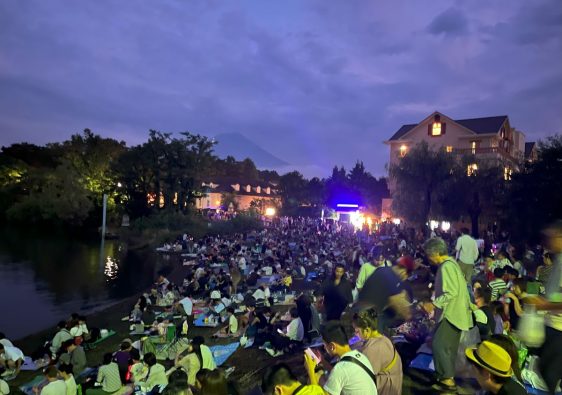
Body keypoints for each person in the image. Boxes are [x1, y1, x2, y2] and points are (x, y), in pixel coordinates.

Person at [423, 237, 473, 392]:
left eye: (429, 255)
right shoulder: (451, 264)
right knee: (448, 347)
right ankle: (445, 377)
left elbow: (451, 292)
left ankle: (447, 380)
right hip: (454, 313)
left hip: (451, 314)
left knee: (439, 345)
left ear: (436, 252)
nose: (428, 259)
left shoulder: (447, 266)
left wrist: (433, 304)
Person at [527, 221, 562, 394]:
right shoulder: (555, 263)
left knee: (549, 370)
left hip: (559, 327)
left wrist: (544, 304)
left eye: (552, 236)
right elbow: (553, 292)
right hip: (551, 323)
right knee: (545, 368)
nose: (548, 241)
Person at [304, 321, 377, 395]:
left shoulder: (340, 369)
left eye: (324, 344)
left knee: (317, 376)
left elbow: (339, 372)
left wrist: (310, 370)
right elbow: (342, 374)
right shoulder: (360, 356)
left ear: (332, 346)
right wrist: (322, 361)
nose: (324, 347)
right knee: (320, 377)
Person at [356, 256, 414, 333]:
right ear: (404, 271)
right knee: (376, 340)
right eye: (407, 274)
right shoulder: (392, 277)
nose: (405, 277)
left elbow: (397, 294)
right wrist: (408, 316)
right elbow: (396, 300)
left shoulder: (384, 270)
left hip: (360, 309)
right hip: (368, 315)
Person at [352, 309, 402, 395]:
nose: (356, 335)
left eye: (357, 331)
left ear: (367, 330)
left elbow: (361, 377)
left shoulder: (373, 348)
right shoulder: (382, 338)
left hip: (386, 389)